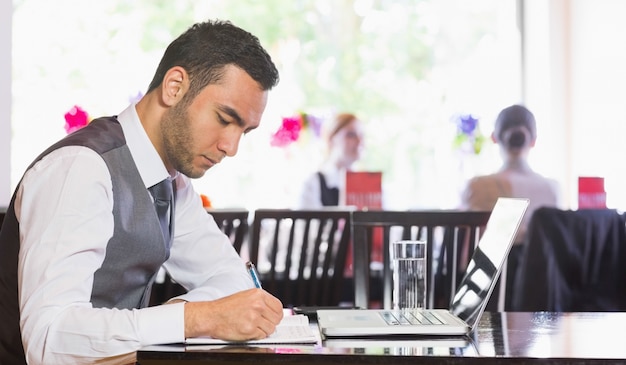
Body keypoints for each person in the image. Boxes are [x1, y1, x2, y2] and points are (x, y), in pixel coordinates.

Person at [0, 20, 283, 365]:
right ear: (175, 87)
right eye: (225, 119)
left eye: (245, 131)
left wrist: (186, 314)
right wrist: (197, 318)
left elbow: (234, 281)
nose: (231, 147)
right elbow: (49, 338)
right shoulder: (80, 168)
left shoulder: (173, 183)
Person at [459, 104, 561, 308]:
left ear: (494, 138)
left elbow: (463, 256)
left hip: (487, 300)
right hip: (545, 299)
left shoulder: (478, 186)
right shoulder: (553, 189)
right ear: (533, 141)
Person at [296, 113, 364, 209]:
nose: (359, 141)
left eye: (362, 135)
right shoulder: (313, 183)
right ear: (331, 139)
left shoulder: (370, 184)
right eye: (351, 135)